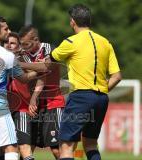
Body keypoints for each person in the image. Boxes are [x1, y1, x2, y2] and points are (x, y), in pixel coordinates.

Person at [50, 4, 122, 160]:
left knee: (66, 146)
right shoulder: (105, 42)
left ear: (72, 22)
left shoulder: (71, 42)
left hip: (81, 97)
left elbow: (51, 58)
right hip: (102, 98)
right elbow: (117, 76)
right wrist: (101, 90)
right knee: (90, 143)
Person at [0, 16, 37, 160]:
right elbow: (23, 78)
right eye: (6, 29)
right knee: (11, 146)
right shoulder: (6, 55)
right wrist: (40, 70)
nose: (9, 31)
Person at [18, 25, 65, 160]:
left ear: (36, 39)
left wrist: (19, 64)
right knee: (27, 148)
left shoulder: (51, 49)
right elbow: (32, 75)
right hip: (33, 106)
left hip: (53, 103)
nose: (23, 47)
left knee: (57, 149)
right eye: (22, 44)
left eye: (26, 44)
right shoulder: (23, 55)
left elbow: (45, 68)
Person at [4, 32, 35, 160]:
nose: (9, 46)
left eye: (13, 43)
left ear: (18, 46)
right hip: (2, 109)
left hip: (21, 108)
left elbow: (39, 72)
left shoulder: (24, 58)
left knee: (24, 147)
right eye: (7, 42)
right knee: (3, 148)